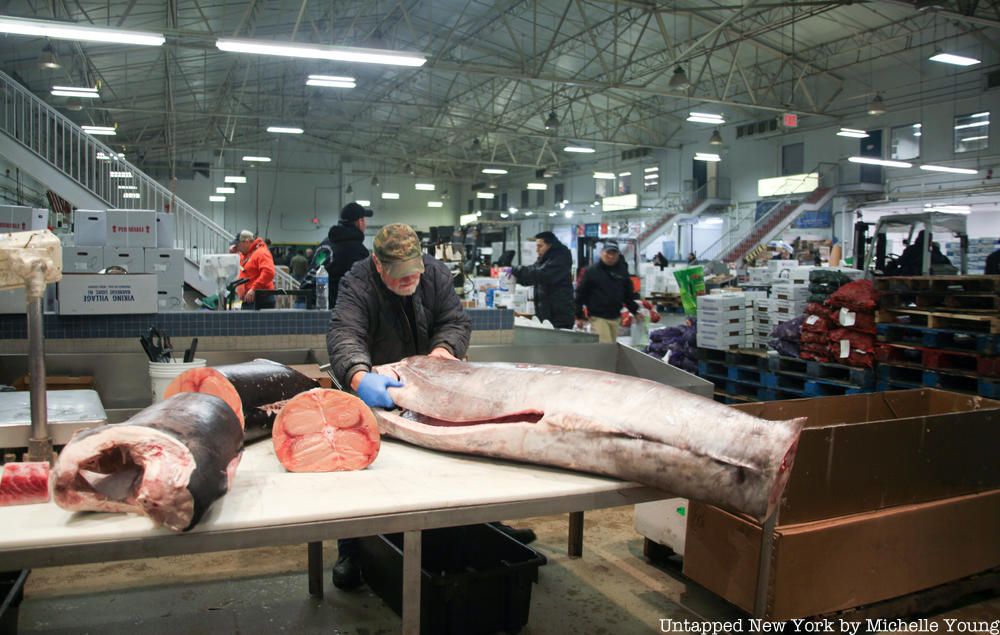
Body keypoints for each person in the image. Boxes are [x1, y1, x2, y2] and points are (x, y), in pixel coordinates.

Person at [327, 223, 534, 590]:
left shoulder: (435, 274)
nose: (410, 279)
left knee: (454, 467)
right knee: (368, 477)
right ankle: (353, 549)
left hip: (432, 387)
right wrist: (360, 376)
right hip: (382, 388)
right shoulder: (357, 282)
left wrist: (443, 352)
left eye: (414, 271)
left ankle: (485, 529)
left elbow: (454, 320)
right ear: (378, 264)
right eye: (399, 274)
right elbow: (345, 333)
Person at [574, 240, 640, 343]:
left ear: (618, 255)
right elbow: (580, 294)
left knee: (611, 346)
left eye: (614, 253)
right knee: (606, 345)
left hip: (615, 316)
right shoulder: (591, 271)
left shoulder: (622, 272)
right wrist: (579, 315)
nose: (611, 256)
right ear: (602, 253)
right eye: (608, 253)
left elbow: (628, 294)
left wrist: (634, 311)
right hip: (598, 317)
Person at [512, 231, 574, 329]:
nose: (537, 250)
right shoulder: (544, 259)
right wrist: (515, 278)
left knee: (559, 338)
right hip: (545, 313)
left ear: (550, 245)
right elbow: (532, 275)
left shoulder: (561, 257)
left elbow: (542, 275)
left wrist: (517, 270)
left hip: (558, 314)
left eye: (540, 246)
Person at [326, 202, 373, 309]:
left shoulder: (326, 243)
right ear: (360, 222)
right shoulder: (358, 250)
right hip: (339, 308)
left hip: (314, 303)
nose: (365, 225)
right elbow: (365, 284)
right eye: (364, 220)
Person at [234, 229, 275, 310]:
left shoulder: (261, 253)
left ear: (246, 242)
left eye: (238, 244)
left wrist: (254, 288)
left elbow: (268, 272)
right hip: (249, 299)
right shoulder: (246, 255)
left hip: (260, 299)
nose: (237, 247)